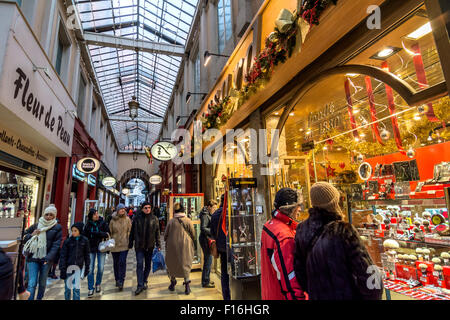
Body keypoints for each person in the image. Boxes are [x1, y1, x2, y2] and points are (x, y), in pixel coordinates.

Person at [294, 182, 383, 300]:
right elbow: (368, 272)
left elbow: (300, 272)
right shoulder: (343, 231)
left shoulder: (301, 230)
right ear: (333, 203)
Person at [260, 188, 307, 300]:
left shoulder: (269, 225)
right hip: (280, 296)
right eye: (297, 206)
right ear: (290, 209)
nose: (299, 209)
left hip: (270, 292)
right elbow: (290, 278)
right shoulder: (285, 237)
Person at [23, 204, 62, 300]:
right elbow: (24, 236)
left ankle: (39, 298)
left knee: (42, 283)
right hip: (33, 257)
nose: (48, 217)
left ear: (54, 216)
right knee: (32, 283)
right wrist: (31, 235)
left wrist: (48, 258)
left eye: (51, 215)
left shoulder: (57, 228)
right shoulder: (36, 225)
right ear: (43, 214)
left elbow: (56, 245)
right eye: (47, 214)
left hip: (46, 259)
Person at [129, 202, 161, 295]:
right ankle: (139, 285)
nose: (148, 209)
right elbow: (132, 232)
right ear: (142, 208)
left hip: (150, 245)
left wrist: (158, 244)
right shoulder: (136, 218)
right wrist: (130, 242)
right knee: (139, 264)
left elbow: (157, 232)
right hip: (139, 245)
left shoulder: (154, 219)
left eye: (149, 207)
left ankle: (145, 280)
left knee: (148, 265)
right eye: (146, 208)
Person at [164, 202, 195, 295]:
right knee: (185, 263)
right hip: (185, 245)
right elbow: (193, 233)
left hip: (172, 246)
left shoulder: (171, 221)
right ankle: (187, 286)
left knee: (173, 263)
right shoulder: (188, 220)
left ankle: (173, 282)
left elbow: (165, 235)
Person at [59, 222, 90, 300]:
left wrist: (87, 268)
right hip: (68, 268)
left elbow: (87, 255)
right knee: (67, 289)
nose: (73, 232)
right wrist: (62, 269)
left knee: (76, 289)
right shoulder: (67, 241)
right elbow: (63, 256)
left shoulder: (85, 241)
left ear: (79, 231)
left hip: (78, 268)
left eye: (75, 230)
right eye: (72, 231)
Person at [83, 208, 109, 297]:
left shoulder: (103, 222)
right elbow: (84, 237)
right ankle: (90, 288)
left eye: (97, 214)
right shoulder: (87, 226)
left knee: (100, 267)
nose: (97, 215)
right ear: (91, 216)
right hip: (90, 249)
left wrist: (97, 233)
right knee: (90, 269)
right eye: (95, 214)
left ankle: (98, 283)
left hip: (101, 248)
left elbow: (107, 233)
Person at [210, 195, 230, 300]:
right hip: (231, 247)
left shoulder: (215, 214)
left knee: (224, 273)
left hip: (221, 247)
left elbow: (212, 233)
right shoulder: (230, 212)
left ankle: (226, 297)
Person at [109, 203, 132, 291]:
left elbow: (130, 230)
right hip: (114, 245)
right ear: (117, 210)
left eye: (123, 209)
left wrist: (129, 241)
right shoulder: (112, 220)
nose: (123, 210)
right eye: (121, 209)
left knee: (122, 262)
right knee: (116, 262)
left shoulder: (127, 220)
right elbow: (110, 232)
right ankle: (117, 279)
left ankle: (121, 280)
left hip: (124, 244)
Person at [199, 199, 218, 288]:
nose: (214, 210)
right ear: (209, 207)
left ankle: (207, 279)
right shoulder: (205, 215)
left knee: (208, 260)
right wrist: (213, 231)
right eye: (213, 208)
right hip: (205, 240)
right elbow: (203, 228)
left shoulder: (207, 213)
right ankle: (205, 281)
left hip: (206, 239)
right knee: (208, 260)